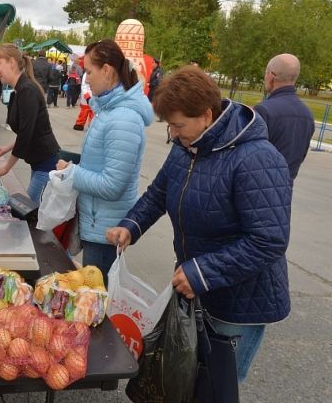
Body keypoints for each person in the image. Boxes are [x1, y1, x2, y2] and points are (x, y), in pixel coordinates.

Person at [106, 66, 292, 384]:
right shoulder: (188, 147)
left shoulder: (256, 158)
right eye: (171, 126)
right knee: (188, 381)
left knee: (215, 388)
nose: (174, 134)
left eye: (178, 125)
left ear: (206, 115)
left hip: (237, 304)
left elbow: (268, 240)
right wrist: (131, 225)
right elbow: (159, 192)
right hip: (198, 288)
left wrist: (201, 272)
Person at [55, 39, 153, 283]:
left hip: (105, 231)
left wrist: (72, 172)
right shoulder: (109, 110)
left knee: (96, 304)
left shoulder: (123, 119)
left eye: (89, 71)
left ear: (107, 71)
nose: (86, 78)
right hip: (99, 222)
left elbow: (112, 184)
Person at [0, 43, 61, 203]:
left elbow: (26, 135)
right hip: (38, 163)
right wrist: (6, 148)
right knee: (29, 209)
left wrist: (7, 167)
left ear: (12, 62)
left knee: (27, 210)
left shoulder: (27, 90)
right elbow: (27, 131)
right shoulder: (22, 89)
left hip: (46, 164)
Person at [254, 53, 315, 181]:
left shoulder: (264, 110)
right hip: (285, 188)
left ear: (271, 75)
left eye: (266, 73)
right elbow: (301, 156)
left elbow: (248, 155)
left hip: (258, 187)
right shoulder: (307, 114)